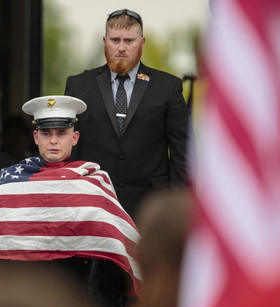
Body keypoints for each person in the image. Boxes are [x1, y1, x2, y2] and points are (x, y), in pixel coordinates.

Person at [0, 95, 141, 307]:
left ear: (74, 138)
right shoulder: (9, 182)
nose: (53, 141)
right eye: (46, 134)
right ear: (36, 137)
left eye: (61, 133)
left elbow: (118, 241)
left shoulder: (94, 182)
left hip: (74, 304)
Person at [64, 9, 190, 218]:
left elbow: (182, 153)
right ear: (105, 41)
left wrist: (177, 209)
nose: (121, 48)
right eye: (115, 40)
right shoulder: (79, 86)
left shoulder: (168, 87)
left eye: (129, 41)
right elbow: (70, 149)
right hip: (93, 206)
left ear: (142, 42)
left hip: (152, 209)